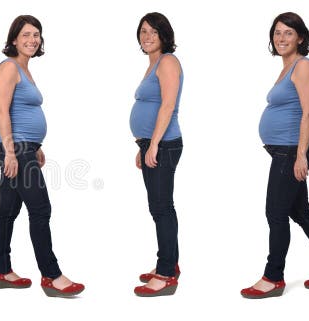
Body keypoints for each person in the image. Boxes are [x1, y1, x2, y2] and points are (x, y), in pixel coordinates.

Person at [241, 12, 309, 299]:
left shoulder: (303, 66)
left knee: (275, 213)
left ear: (300, 37)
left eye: (288, 33)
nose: (281, 38)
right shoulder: (287, 68)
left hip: (291, 152)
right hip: (284, 151)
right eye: (277, 33)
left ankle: (273, 278)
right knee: (300, 211)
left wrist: (301, 155)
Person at [0, 15, 84, 298]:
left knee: (8, 210)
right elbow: (1, 111)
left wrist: (36, 145)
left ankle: (0, 270)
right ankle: (51, 276)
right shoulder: (8, 67)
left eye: (37, 35)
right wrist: (11, 151)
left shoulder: (24, 69)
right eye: (27, 34)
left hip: (24, 147)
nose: (33, 40)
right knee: (41, 209)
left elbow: (22, 111)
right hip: (14, 149)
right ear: (14, 39)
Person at [129, 12, 183, 297]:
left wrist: (153, 145)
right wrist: (143, 145)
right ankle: (169, 264)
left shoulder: (168, 62)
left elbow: (168, 106)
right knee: (160, 208)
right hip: (152, 144)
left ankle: (165, 275)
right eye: (143, 31)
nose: (147, 37)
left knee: (162, 208)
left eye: (153, 32)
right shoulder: (152, 64)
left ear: (164, 35)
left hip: (164, 145)